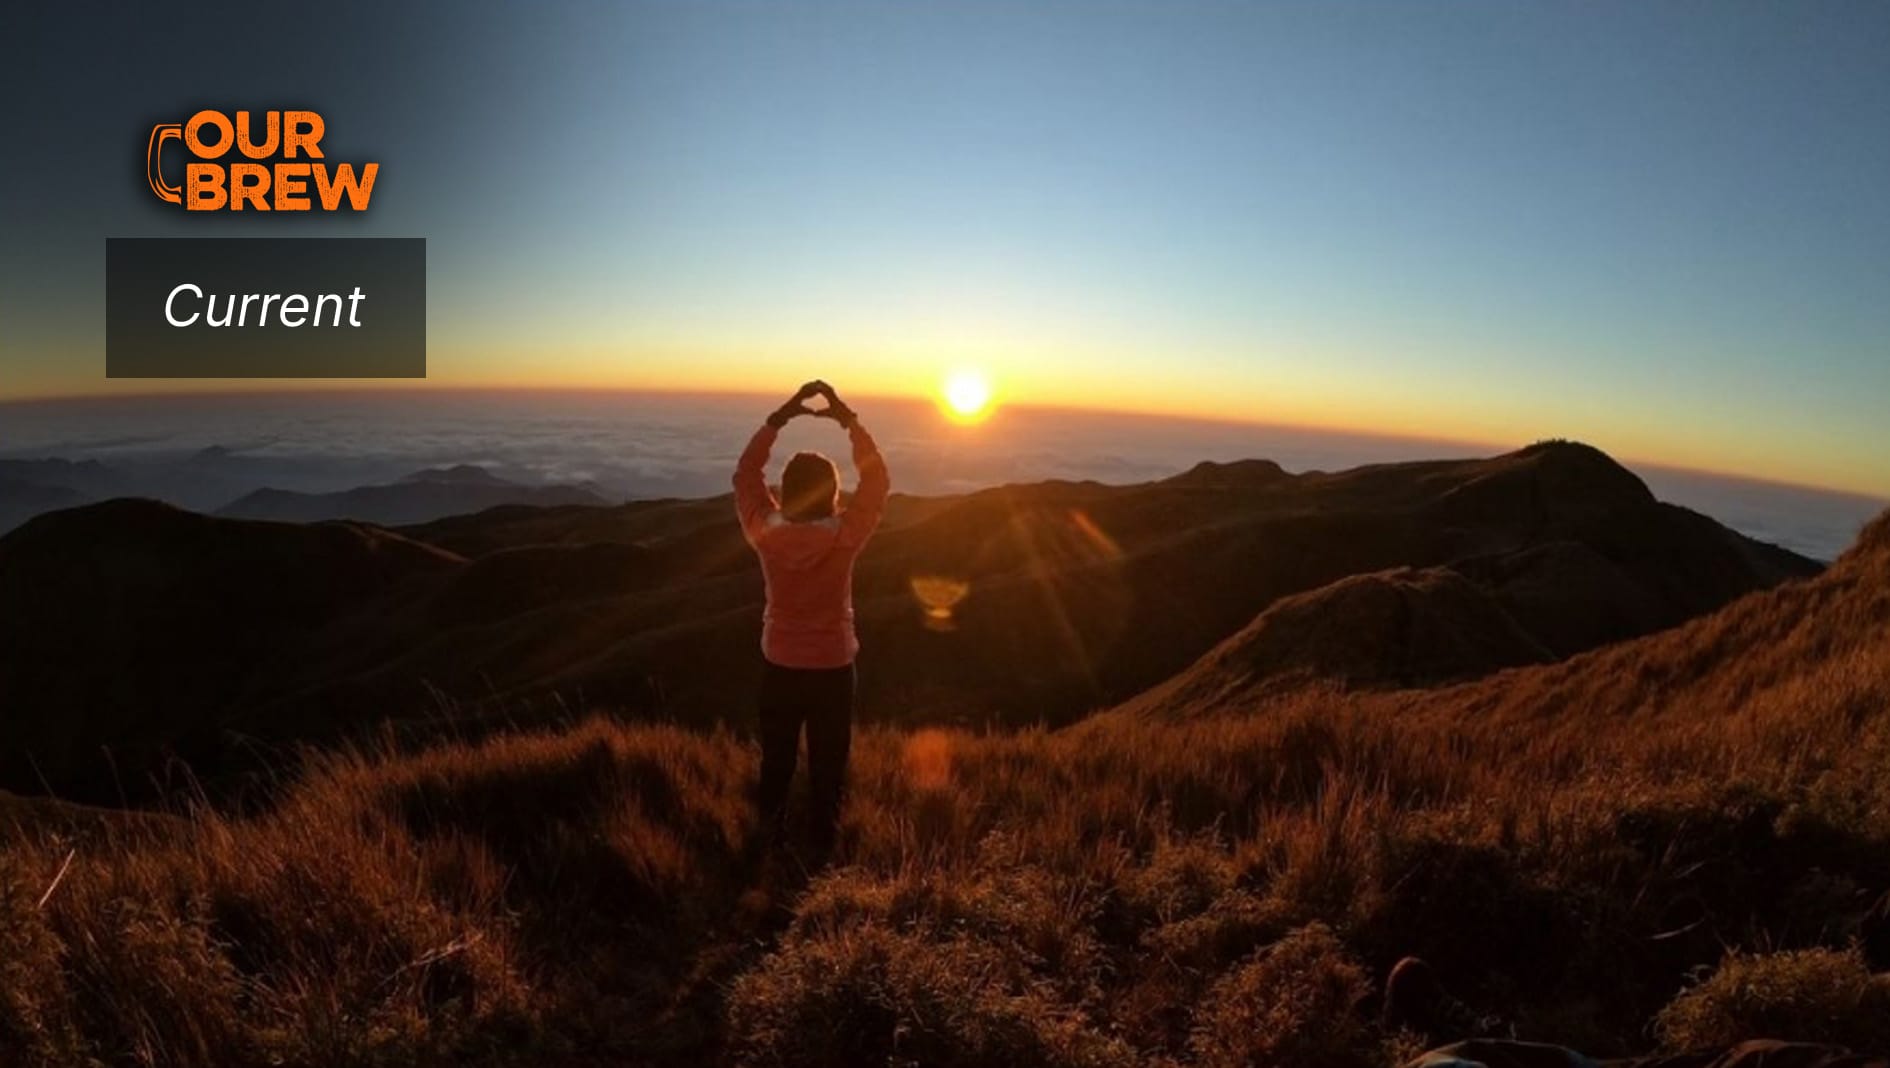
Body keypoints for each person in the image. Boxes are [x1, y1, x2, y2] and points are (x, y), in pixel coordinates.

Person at [732, 380, 890, 854]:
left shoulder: (765, 532)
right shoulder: (845, 535)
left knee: (776, 764)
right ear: (833, 494)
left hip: (780, 663)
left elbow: (746, 474)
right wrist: (849, 421)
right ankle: (821, 855)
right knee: (828, 770)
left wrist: (778, 419)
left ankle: (766, 849)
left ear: (785, 493)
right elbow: (877, 481)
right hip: (833, 666)